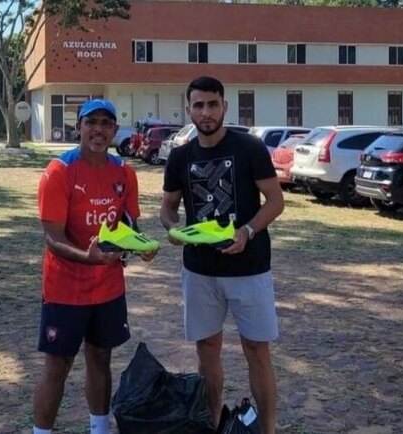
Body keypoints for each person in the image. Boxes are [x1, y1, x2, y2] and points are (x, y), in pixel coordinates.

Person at [160, 76, 284, 434]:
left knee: (257, 351)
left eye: (213, 104)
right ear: (189, 110)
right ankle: (213, 423)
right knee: (207, 352)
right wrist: (173, 229)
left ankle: (269, 429)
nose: (206, 112)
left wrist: (247, 231)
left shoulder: (249, 148)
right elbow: (167, 208)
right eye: (198, 105)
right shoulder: (181, 156)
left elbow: (275, 201)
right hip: (200, 271)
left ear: (224, 106)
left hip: (250, 268)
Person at [33, 99, 158, 434]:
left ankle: (99, 429)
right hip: (65, 289)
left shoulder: (124, 173)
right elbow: (53, 239)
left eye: (106, 123)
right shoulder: (59, 171)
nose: (98, 130)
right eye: (91, 122)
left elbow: (129, 228)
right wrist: (86, 257)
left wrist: (140, 247)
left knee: (101, 359)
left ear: (115, 130)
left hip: (108, 287)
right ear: (79, 127)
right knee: (57, 365)